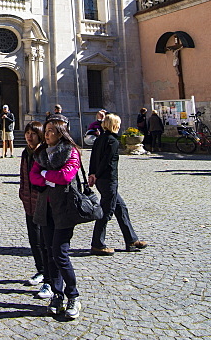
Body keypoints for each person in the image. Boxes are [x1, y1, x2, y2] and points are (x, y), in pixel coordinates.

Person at [29, 117, 85, 319]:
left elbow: (66, 177)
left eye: (52, 130)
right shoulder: (41, 153)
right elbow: (33, 176)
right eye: (47, 130)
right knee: (50, 254)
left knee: (60, 253)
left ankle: (73, 295)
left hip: (64, 209)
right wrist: (48, 175)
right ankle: (57, 294)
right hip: (45, 209)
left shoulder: (71, 151)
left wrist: (45, 175)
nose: (47, 133)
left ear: (61, 132)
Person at [89, 113, 147, 260]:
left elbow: (93, 158)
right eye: (118, 124)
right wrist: (98, 174)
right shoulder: (112, 141)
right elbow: (107, 162)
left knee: (121, 208)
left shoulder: (99, 139)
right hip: (109, 180)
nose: (120, 126)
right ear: (114, 125)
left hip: (102, 180)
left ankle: (131, 240)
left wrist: (93, 174)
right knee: (106, 212)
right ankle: (97, 244)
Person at [18, 121, 49, 298]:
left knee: (46, 241)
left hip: (42, 202)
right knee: (34, 239)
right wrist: (22, 193)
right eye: (27, 133)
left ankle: (50, 279)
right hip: (28, 201)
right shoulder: (25, 153)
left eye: (33, 133)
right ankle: (41, 270)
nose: (29, 136)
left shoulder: (44, 153)